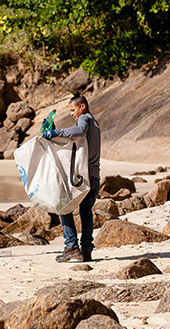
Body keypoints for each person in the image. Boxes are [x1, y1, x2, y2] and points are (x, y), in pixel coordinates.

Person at [42, 92, 101, 262]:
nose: (71, 113)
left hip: (83, 176)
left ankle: (71, 246)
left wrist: (55, 133)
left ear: (82, 107)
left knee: (63, 206)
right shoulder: (94, 123)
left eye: (72, 109)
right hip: (94, 175)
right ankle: (87, 250)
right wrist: (54, 132)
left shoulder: (85, 119)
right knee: (86, 213)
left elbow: (79, 130)